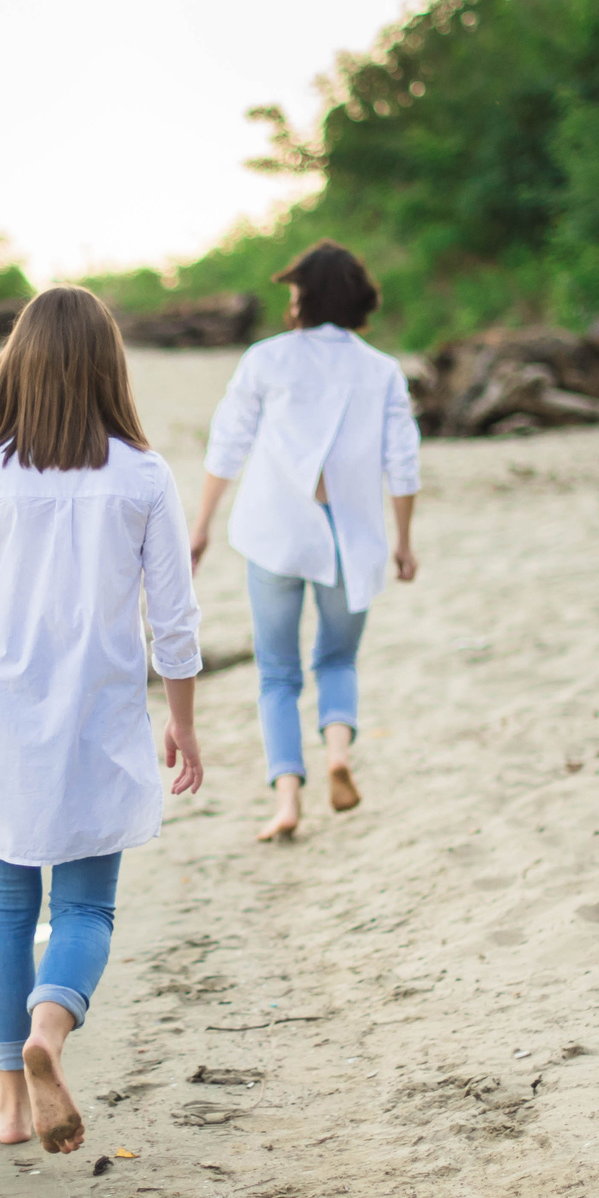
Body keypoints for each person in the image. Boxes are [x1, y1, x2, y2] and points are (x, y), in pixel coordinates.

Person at [0, 286, 204, 1155]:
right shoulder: (144, 475)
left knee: (5, 905)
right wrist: (180, 720)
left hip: (3, 712)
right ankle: (51, 1032)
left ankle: (6, 1102)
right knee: (85, 909)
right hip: (101, 714)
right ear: (110, 369)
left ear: (19, 365)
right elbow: (174, 620)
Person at [189, 240, 419, 842]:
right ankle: (338, 751)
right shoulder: (382, 370)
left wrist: (202, 524)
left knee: (278, 675)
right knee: (338, 660)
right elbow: (404, 463)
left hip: (276, 536)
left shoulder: (266, 360)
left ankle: (287, 800)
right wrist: (403, 540)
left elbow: (228, 445)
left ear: (305, 299)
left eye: (293, 292)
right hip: (351, 538)